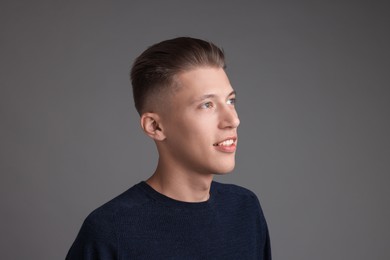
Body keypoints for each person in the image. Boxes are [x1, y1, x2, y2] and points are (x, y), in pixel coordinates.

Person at [66, 37, 271, 259]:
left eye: (230, 101)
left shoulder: (245, 209)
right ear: (155, 126)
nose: (233, 120)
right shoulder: (110, 231)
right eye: (207, 105)